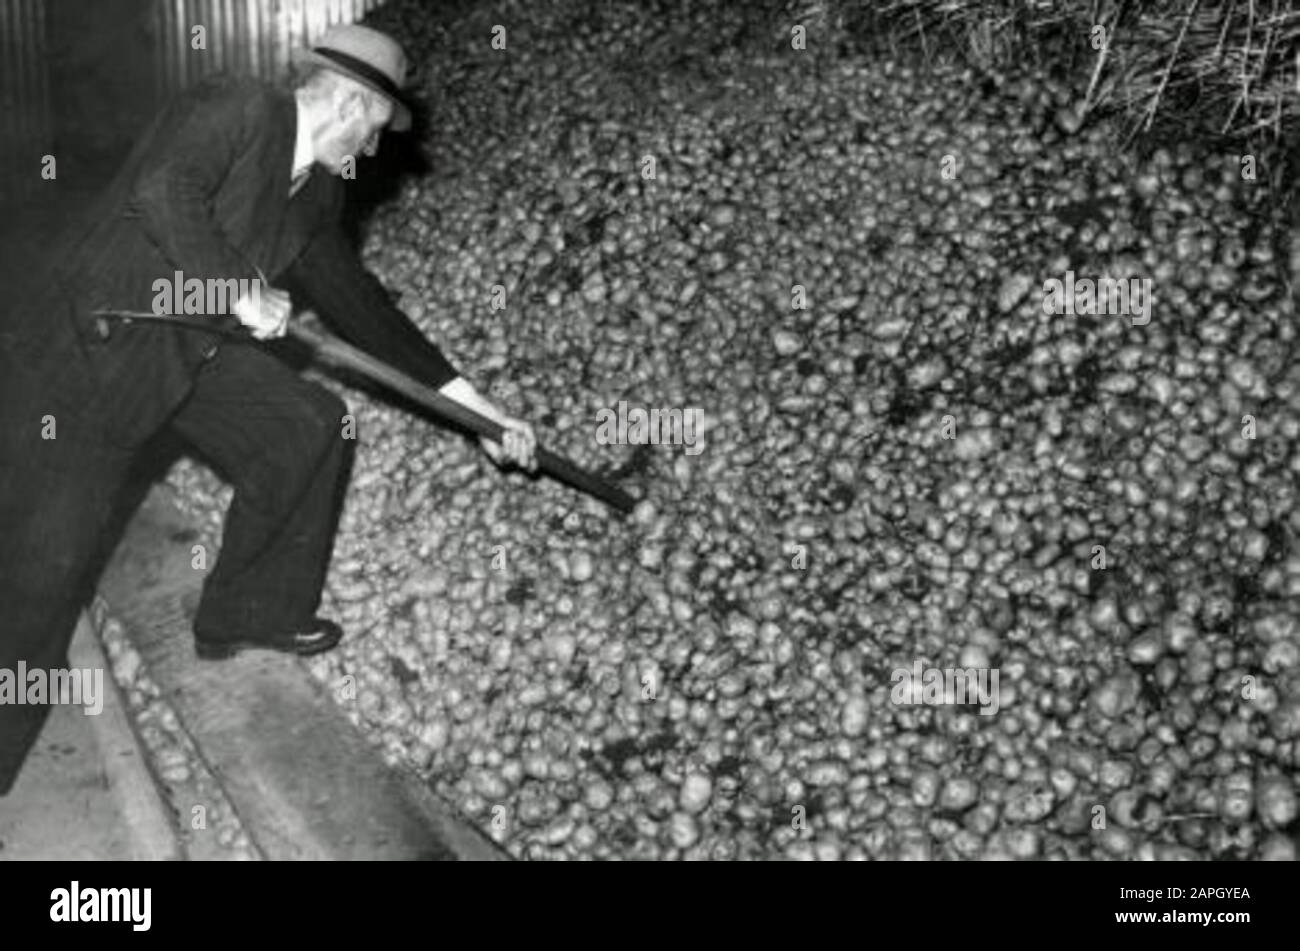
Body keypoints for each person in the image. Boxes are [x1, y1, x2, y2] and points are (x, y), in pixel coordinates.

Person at [0, 24, 536, 795]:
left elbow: (364, 308)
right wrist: (240, 289)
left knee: (305, 424)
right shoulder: (237, 106)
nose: (376, 149)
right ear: (353, 102)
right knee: (40, 579)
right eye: (378, 130)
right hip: (89, 355)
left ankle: (245, 609)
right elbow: (165, 190)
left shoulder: (315, 188)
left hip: (183, 349)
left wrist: (479, 414)